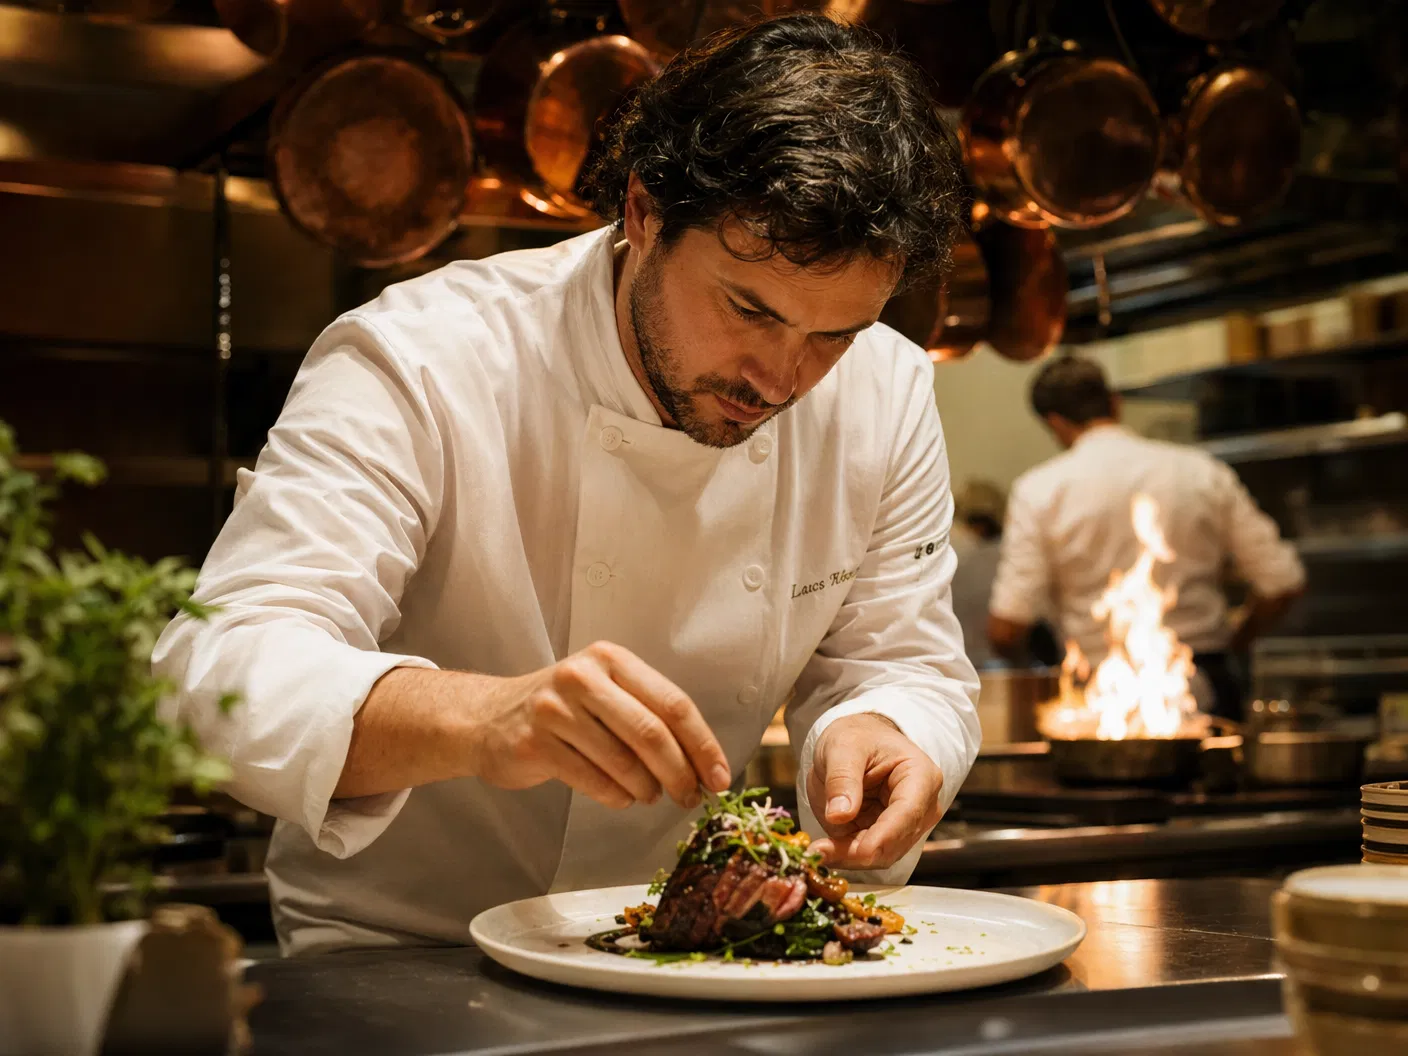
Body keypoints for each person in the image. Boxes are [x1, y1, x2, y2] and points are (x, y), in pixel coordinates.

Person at [154, 15, 981, 956]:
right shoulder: (423, 358)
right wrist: (484, 718)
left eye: (833, 335)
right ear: (642, 213)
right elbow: (219, 672)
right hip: (403, 965)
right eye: (748, 307)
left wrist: (888, 729)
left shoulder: (888, 390)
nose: (782, 379)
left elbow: (901, 660)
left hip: (687, 958)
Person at [987, 355, 1305, 720]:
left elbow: (1006, 626)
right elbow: (1283, 582)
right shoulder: (1202, 471)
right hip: (1206, 681)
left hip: (1100, 695)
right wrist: (1237, 643)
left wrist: (1035, 670)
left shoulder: (1040, 490)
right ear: (1115, 404)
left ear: (1054, 423)